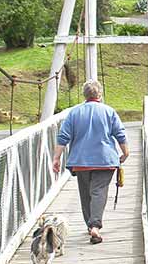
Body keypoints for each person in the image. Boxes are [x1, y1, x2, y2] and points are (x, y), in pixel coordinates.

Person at [52, 80, 129, 244]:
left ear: (84, 95)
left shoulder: (74, 113)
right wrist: (125, 152)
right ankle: (95, 226)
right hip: (105, 160)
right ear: (99, 94)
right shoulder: (109, 111)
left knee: (86, 194)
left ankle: (90, 225)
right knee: (99, 192)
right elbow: (120, 134)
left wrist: (56, 158)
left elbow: (63, 136)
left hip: (81, 161)